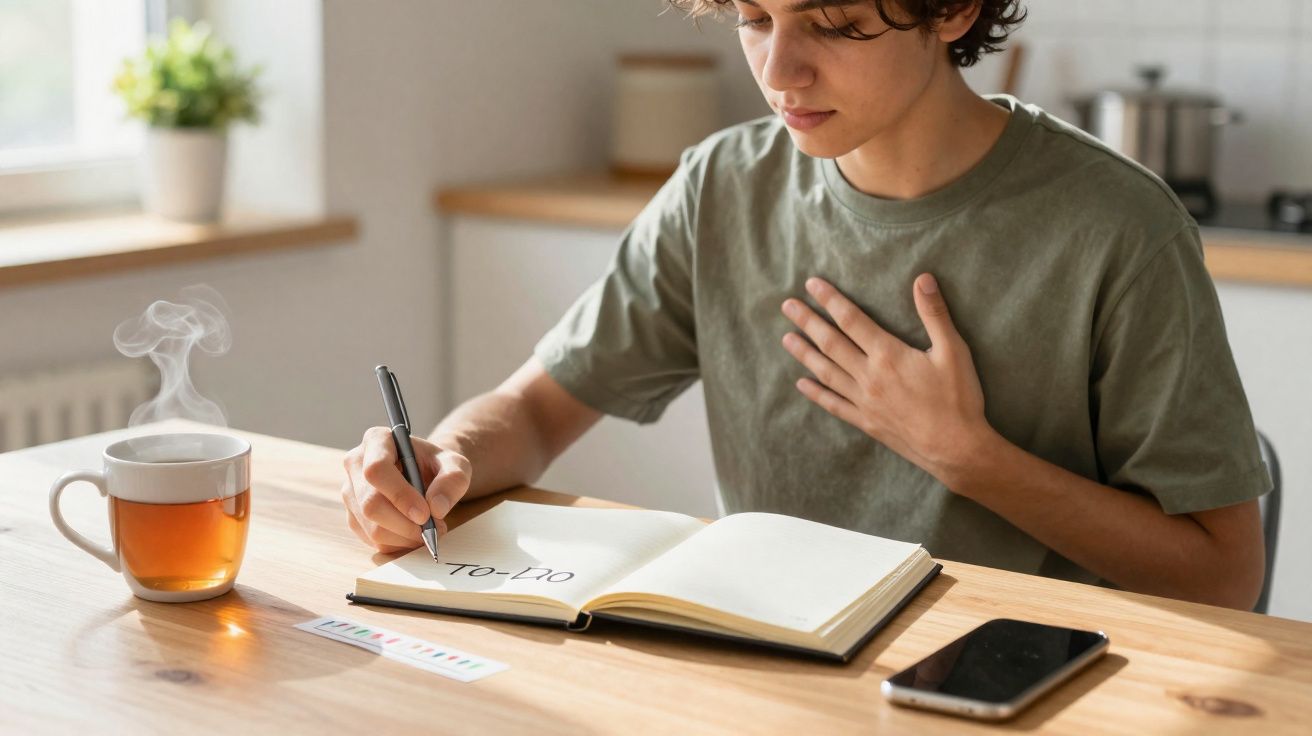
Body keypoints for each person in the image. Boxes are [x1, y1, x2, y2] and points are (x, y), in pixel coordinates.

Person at [341, 0, 1271, 610]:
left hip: (1017, 692)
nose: (780, 69)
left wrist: (970, 459)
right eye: (752, 15)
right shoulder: (721, 189)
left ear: (950, 11)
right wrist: (444, 460)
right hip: (777, 677)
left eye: (829, 23)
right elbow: (538, 411)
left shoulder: (1117, 226)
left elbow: (1225, 577)